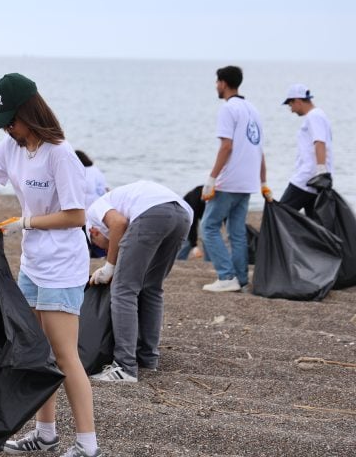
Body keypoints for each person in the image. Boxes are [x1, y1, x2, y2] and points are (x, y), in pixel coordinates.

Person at [0, 73, 100, 457]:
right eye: (3, 122)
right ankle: (45, 434)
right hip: (33, 264)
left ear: (30, 112)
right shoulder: (9, 149)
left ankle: (88, 445)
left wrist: (27, 221)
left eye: (12, 120)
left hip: (62, 265)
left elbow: (76, 216)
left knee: (63, 354)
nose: (8, 128)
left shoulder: (60, 154)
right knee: (34, 353)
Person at [85, 180, 192, 383]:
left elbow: (118, 224)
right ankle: (148, 359)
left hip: (152, 214)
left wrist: (109, 266)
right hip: (182, 216)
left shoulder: (94, 211)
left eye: (99, 247)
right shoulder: (122, 199)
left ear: (94, 232)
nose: (105, 251)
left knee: (123, 291)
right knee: (152, 288)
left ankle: (124, 367)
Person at [201, 66, 272, 293]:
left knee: (209, 227)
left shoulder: (228, 109)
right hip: (248, 181)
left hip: (230, 180)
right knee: (237, 231)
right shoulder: (253, 109)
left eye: (217, 82)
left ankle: (226, 276)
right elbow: (259, 149)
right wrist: (262, 182)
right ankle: (240, 279)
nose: (216, 86)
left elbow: (226, 146)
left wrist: (212, 178)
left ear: (223, 83)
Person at [279, 83, 333, 217]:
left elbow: (320, 142)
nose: (291, 110)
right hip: (314, 180)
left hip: (307, 179)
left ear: (297, 101)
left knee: (279, 215)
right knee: (315, 225)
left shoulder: (314, 116)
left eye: (290, 105)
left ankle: (272, 238)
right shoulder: (319, 115)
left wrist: (321, 172)